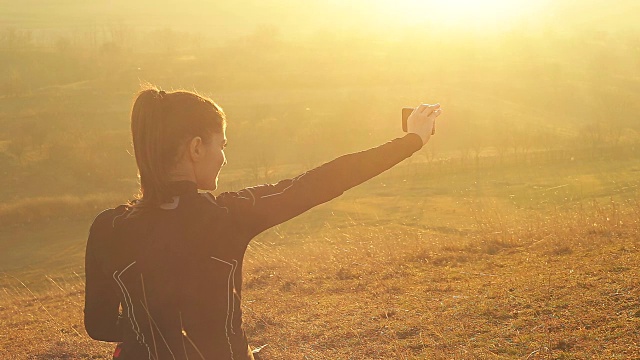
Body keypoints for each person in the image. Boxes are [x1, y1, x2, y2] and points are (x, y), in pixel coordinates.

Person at [84, 85, 442, 360]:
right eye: (221, 144)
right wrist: (411, 140)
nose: (223, 157)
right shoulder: (226, 216)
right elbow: (321, 182)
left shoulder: (108, 227)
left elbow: (99, 326)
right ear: (195, 148)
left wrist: (151, 328)